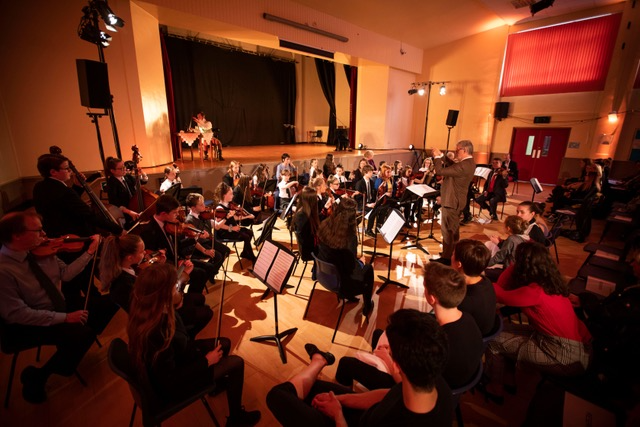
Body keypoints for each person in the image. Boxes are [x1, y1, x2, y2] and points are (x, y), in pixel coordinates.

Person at [267, 309, 453, 426]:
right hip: (365, 414)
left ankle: (319, 360)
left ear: (396, 366)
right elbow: (390, 394)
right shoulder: (434, 380)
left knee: (277, 396)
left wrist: (338, 414)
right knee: (313, 388)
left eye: (390, 350)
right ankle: (319, 360)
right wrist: (341, 399)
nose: (386, 349)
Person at [127, 263, 259, 426]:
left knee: (224, 343)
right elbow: (171, 381)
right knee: (236, 363)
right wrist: (207, 361)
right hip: (174, 385)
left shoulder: (149, 308)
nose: (177, 288)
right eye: (174, 287)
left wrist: (177, 302)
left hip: (180, 356)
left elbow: (179, 330)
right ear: (163, 294)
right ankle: (236, 419)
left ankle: (215, 385)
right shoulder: (157, 333)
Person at [0, 211, 101, 403]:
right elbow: (16, 314)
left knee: (103, 307)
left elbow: (66, 275)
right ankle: (38, 376)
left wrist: (89, 253)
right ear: (17, 235)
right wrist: (66, 318)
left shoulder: (41, 251)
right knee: (83, 334)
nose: (44, 234)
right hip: (24, 324)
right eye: (38, 230)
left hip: (55, 304)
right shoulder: (3, 270)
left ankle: (67, 356)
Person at [485, 242, 592, 399]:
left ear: (523, 265)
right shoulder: (550, 283)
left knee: (493, 341)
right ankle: (507, 378)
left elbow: (499, 291)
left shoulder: (534, 292)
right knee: (502, 331)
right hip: (577, 345)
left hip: (566, 355)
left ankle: (496, 387)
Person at [98, 233, 213, 338]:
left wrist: (161, 265)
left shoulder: (129, 268)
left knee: (200, 298)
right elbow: (158, 303)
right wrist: (184, 275)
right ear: (130, 258)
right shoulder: (123, 285)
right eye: (142, 251)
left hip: (159, 303)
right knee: (207, 312)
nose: (145, 254)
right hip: (158, 318)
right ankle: (186, 337)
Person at [32, 153, 123, 238]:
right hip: (73, 237)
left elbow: (65, 204)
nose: (70, 171)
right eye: (67, 168)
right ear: (53, 172)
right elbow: (89, 215)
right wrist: (118, 230)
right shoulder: (64, 191)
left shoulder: (39, 186)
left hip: (53, 235)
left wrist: (77, 186)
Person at [137, 195, 209, 294]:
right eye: (174, 212)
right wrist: (178, 264)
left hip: (178, 260)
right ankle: (182, 298)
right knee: (201, 274)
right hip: (167, 269)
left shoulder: (169, 224)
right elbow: (155, 261)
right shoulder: (149, 232)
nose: (177, 215)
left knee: (207, 268)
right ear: (163, 214)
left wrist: (195, 238)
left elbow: (177, 245)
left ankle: (187, 297)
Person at [317, 197, 375, 317]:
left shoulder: (324, 225)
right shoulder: (349, 239)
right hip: (342, 283)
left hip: (323, 274)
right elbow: (350, 268)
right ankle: (367, 305)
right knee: (368, 269)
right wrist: (361, 262)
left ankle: (353, 298)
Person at [432, 140, 476, 265]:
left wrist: (436, 158)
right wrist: (442, 156)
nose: (456, 153)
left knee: (448, 232)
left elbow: (440, 171)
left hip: (452, 202)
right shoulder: (467, 163)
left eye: (457, 150)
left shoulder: (464, 166)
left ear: (465, 150)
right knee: (452, 231)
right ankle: (449, 254)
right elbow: (452, 166)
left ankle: (447, 259)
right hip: (454, 201)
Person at [451, 239, 496, 336]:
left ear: (459, 264)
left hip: (468, 340)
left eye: (453, 254)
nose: (451, 257)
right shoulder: (485, 281)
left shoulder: (465, 302)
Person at [184, 193, 230, 280]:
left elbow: (216, 226)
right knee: (218, 256)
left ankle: (211, 272)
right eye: (201, 205)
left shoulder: (204, 214)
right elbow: (192, 242)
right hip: (198, 246)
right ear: (193, 208)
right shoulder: (189, 221)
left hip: (208, 241)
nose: (204, 206)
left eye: (204, 203)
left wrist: (226, 217)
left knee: (226, 251)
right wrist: (205, 251)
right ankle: (209, 273)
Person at [213, 182, 257, 264]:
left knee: (249, 232)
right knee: (246, 236)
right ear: (224, 195)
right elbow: (219, 226)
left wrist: (247, 216)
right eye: (230, 194)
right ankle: (252, 257)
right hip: (226, 232)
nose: (233, 196)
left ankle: (244, 253)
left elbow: (234, 218)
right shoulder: (220, 208)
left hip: (232, 228)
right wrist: (232, 228)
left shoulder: (229, 205)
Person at [105, 156, 143, 228]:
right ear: (112, 171)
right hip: (124, 215)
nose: (124, 169)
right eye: (121, 168)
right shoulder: (111, 183)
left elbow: (141, 182)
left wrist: (141, 174)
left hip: (134, 209)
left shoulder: (127, 177)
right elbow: (115, 203)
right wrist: (129, 212)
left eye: (124, 166)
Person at [293, 187, 320, 265]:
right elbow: (304, 239)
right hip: (308, 250)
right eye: (316, 198)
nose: (317, 200)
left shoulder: (307, 212)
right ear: (311, 200)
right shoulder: (302, 215)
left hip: (312, 246)